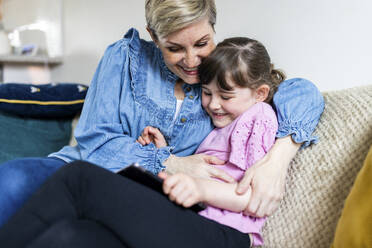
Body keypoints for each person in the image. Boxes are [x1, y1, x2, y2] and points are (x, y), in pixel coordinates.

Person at [0, 0, 324, 228]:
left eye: (201, 42)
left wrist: (278, 160)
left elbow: (301, 90)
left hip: (144, 196)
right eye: (174, 48)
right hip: (79, 169)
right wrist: (170, 161)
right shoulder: (125, 57)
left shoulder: (220, 74)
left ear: (213, 27)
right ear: (154, 37)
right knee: (11, 181)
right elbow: (95, 142)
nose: (193, 60)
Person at [136, 36, 282, 246]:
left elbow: (250, 196)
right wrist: (163, 152)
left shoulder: (259, 116)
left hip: (228, 229)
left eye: (225, 96)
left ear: (260, 93)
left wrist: (199, 189)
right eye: (206, 92)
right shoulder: (222, 125)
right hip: (199, 220)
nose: (213, 104)